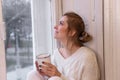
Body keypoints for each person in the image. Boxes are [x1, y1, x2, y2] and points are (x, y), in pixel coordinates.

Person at [27, 12, 100, 80]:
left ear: (71, 32)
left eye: (61, 24)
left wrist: (59, 75)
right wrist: (45, 74)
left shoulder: (87, 56)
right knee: (33, 74)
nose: (55, 26)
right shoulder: (56, 54)